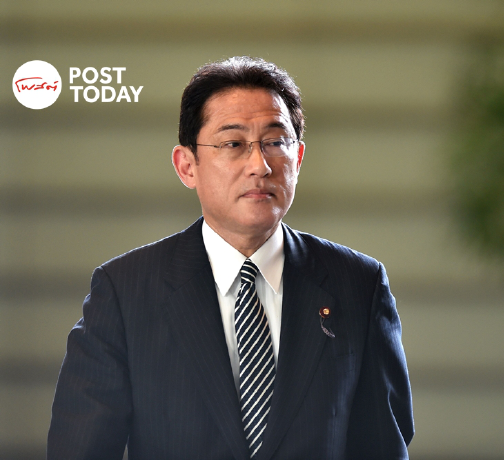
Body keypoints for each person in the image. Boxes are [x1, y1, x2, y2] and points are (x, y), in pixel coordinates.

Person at [47, 56, 414, 460]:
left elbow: (384, 446)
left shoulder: (358, 284)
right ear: (187, 166)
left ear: (298, 159)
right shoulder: (125, 292)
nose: (260, 165)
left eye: (276, 142)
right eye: (233, 144)